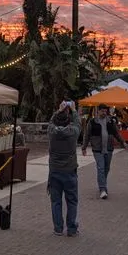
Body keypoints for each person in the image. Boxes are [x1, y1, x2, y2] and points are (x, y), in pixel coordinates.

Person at [48, 101, 81, 236]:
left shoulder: (52, 132)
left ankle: (58, 228)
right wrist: (73, 110)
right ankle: (72, 229)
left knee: (56, 201)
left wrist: (59, 110)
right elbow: (78, 123)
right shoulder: (72, 132)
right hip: (69, 170)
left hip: (55, 170)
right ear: (68, 122)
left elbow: (50, 123)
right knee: (72, 201)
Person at [82, 103, 127, 199]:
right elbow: (87, 135)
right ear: (98, 111)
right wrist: (84, 147)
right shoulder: (92, 122)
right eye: (102, 111)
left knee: (106, 168)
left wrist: (123, 142)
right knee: (101, 168)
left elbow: (116, 133)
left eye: (105, 111)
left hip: (109, 148)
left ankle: (102, 183)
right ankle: (103, 189)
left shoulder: (110, 121)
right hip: (97, 149)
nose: (104, 113)